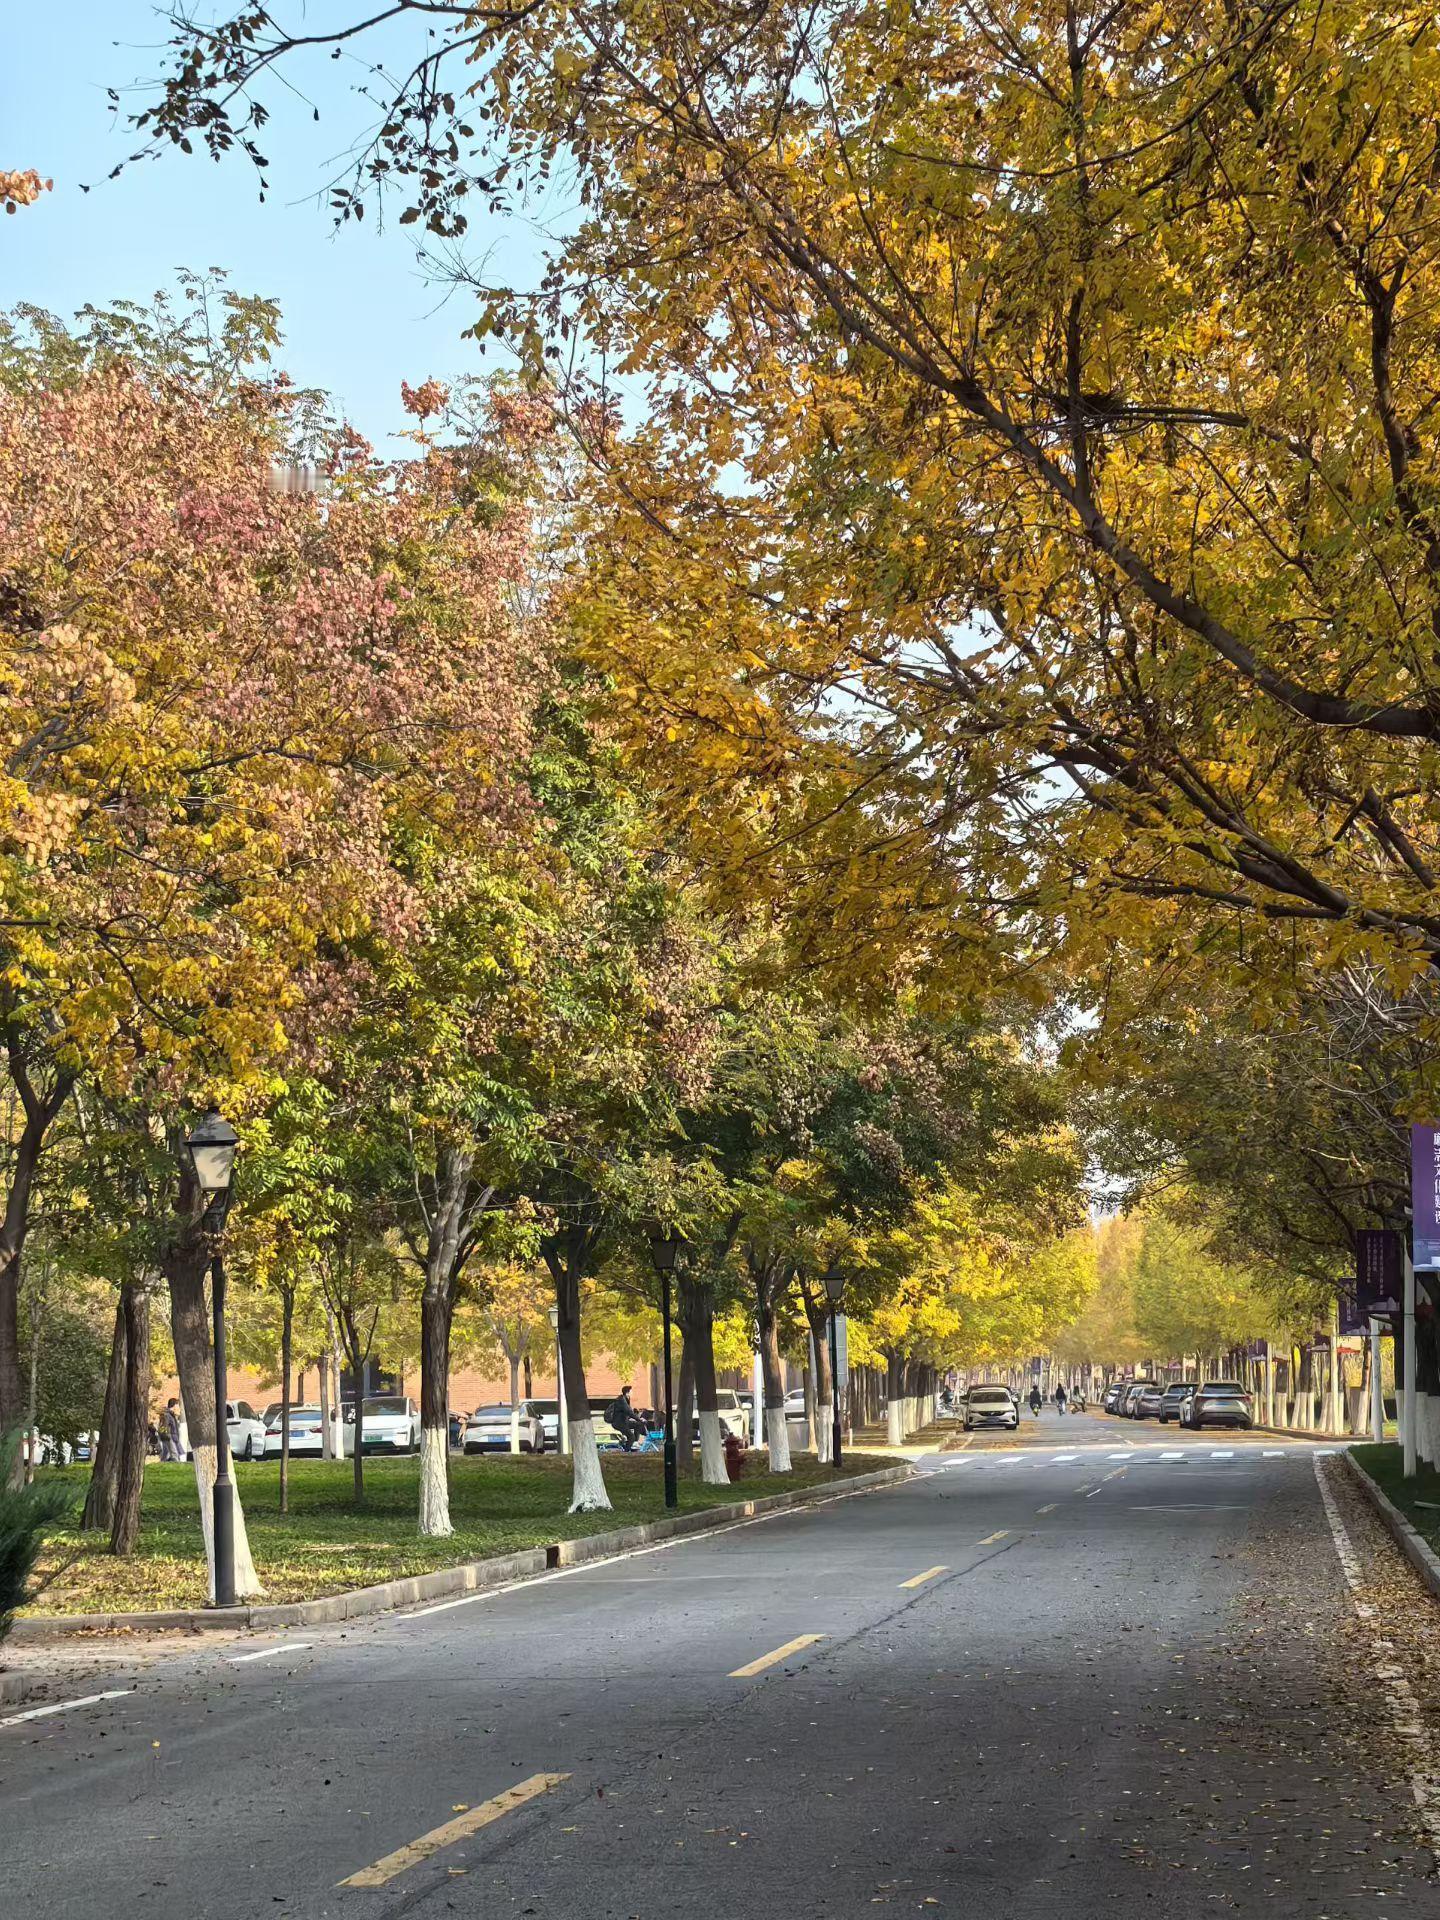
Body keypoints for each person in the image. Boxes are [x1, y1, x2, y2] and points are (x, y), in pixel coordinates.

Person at [605, 1385, 645, 1450]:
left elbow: (626, 1413)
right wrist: (639, 1419)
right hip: (619, 1423)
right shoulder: (621, 1400)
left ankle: (634, 1443)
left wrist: (637, 1419)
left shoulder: (625, 1399)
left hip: (624, 1422)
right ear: (627, 1393)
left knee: (638, 1425)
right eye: (631, 1391)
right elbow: (629, 1412)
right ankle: (627, 1451)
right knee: (631, 1436)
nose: (632, 1393)